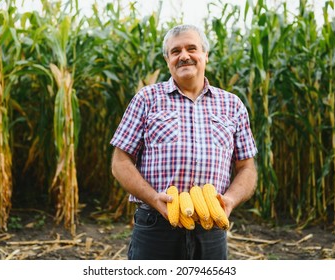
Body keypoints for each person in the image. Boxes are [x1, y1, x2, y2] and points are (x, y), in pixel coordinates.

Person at [110, 24, 258, 260]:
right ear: (167, 59)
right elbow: (120, 161)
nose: (184, 56)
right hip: (156, 225)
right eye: (176, 51)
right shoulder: (147, 99)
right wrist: (153, 198)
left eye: (192, 48)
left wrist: (229, 200)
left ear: (205, 55)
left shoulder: (232, 105)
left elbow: (247, 168)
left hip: (211, 226)